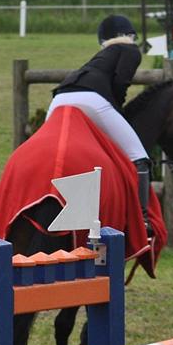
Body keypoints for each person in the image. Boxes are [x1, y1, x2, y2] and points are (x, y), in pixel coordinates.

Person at [49, 14, 151, 234]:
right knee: (139, 158)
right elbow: (120, 85)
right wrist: (120, 115)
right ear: (129, 35)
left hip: (59, 98)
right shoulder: (131, 50)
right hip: (91, 99)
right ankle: (143, 221)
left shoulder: (102, 56)